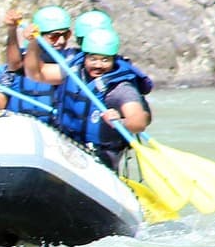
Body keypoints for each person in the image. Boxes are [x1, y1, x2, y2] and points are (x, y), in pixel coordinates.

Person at [33, 27, 152, 170]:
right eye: (93, 59)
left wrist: (120, 122)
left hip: (100, 159)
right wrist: (33, 42)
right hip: (69, 147)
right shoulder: (75, 71)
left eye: (105, 60)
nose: (98, 65)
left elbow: (138, 121)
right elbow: (36, 72)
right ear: (85, 58)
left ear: (113, 60)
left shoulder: (120, 88)